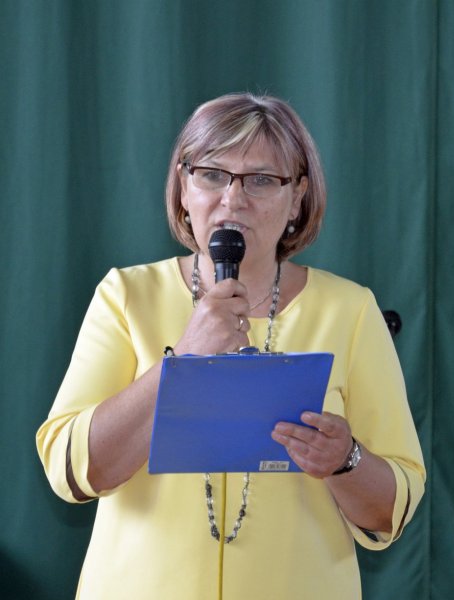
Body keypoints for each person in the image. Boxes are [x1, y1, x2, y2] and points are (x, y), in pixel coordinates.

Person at [36, 92, 425, 600]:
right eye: (212, 174)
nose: (233, 199)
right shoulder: (126, 296)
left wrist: (344, 459)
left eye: (261, 180)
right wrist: (183, 359)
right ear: (183, 188)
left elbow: (390, 513)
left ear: (297, 198)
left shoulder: (350, 311)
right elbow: (71, 471)